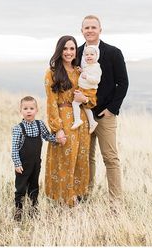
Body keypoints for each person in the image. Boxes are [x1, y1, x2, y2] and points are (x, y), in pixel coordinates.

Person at [78, 15, 129, 206]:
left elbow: (123, 83)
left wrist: (111, 109)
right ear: (81, 30)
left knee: (110, 158)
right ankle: (85, 196)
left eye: (93, 27)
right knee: (85, 157)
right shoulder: (76, 52)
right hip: (83, 114)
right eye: (86, 28)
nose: (90, 30)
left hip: (104, 115)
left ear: (100, 30)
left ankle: (116, 201)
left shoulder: (113, 52)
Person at [44, 35, 97, 207]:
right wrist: (57, 128)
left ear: (76, 51)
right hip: (64, 120)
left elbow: (91, 97)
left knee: (80, 159)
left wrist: (85, 99)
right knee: (65, 158)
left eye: (72, 48)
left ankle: (76, 197)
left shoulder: (80, 71)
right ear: (60, 50)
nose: (68, 52)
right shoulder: (51, 73)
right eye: (65, 48)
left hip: (81, 119)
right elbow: (51, 102)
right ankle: (64, 198)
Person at [11, 96, 66, 221]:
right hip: (23, 164)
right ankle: (18, 209)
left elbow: (47, 136)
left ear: (36, 110)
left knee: (34, 186)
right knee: (21, 187)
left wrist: (57, 140)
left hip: (36, 163)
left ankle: (33, 208)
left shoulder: (40, 124)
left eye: (31, 108)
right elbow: (14, 148)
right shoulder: (18, 128)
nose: (28, 111)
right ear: (21, 111)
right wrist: (17, 163)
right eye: (25, 108)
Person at [71, 45, 102, 134]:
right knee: (85, 107)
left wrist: (87, 76)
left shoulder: (96, 67)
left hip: (88, 90)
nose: (89, 56)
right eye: (86, 54)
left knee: (75, 103)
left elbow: (97, 80)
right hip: (83, 88)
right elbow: (86, 73)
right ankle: (92, 122)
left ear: (97, 56)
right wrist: (82, 71)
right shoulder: (88, 66)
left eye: (92, 54)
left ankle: (77, 120)